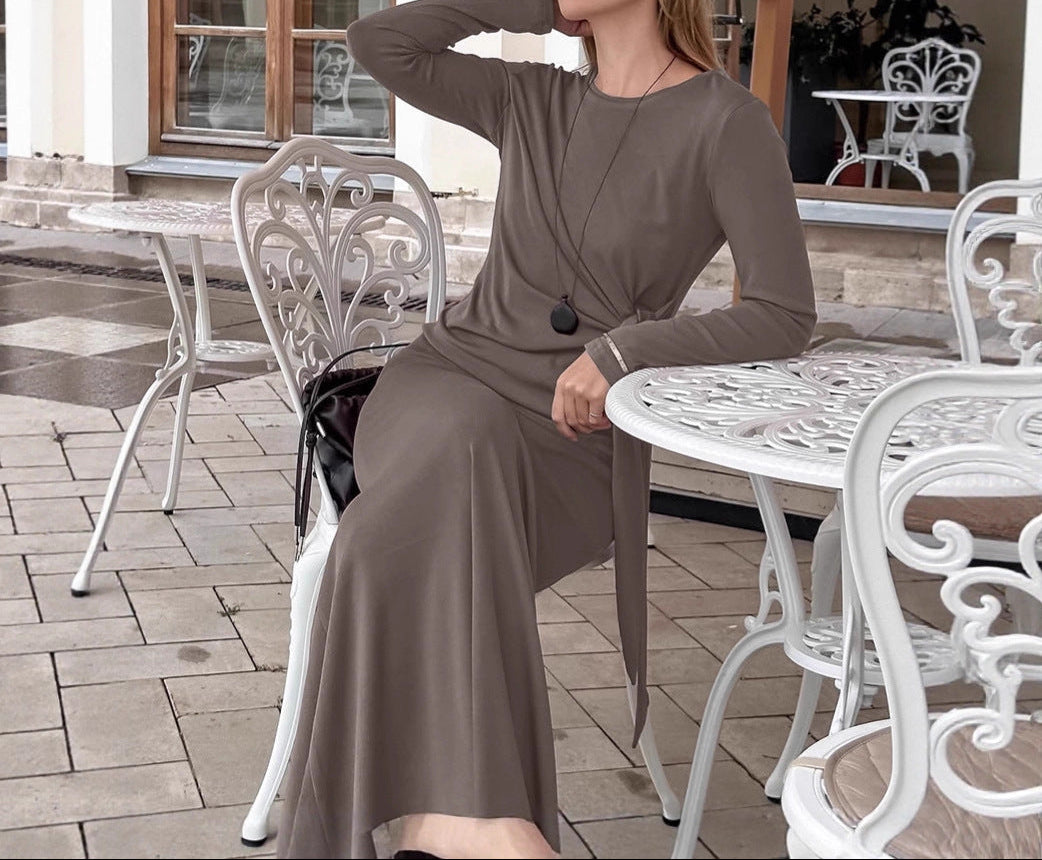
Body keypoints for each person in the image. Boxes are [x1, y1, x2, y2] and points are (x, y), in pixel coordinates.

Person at [276, 1, 817, 858]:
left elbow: (784, 313)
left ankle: (425, 823)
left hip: (573, 436)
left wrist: (626, 350)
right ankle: (477, 822)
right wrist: (537, 8)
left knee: (382, 540)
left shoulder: (727, 124)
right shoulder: (528, 97)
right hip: (446, 382)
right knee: (462, 445)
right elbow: (377, 41)